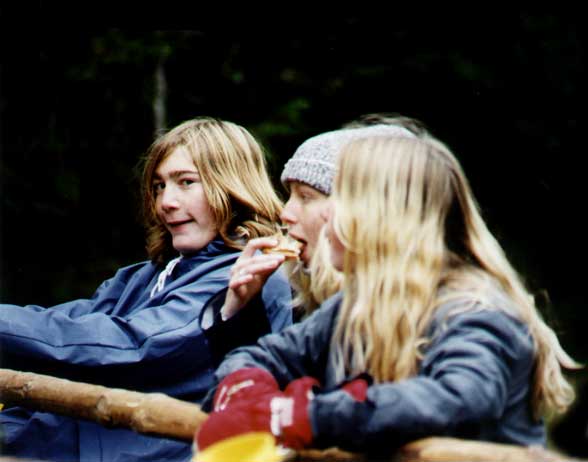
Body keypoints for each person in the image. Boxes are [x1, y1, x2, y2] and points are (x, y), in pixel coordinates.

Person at [194, 134, 580, 458]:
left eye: (334, 202)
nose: (323, 220)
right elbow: (268, 357)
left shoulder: (475, 311)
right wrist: (244, 387)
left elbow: (456, 399)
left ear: (380, 216)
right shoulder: (354, 306)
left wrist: (303, 416)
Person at [0, 117, 293, 462]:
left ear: (232, 186)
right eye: (158, 186)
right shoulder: (147, 275)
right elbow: (70, 323)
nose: (166, 201)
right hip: (76, 435)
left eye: (186, 182)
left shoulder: (248, 272)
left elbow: (131, 344)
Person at [204, 118, 419, 337]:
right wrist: (237, 309)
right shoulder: (310, 306)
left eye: (306, 197)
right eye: (290, 195)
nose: (285, 214)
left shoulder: (423, 319)